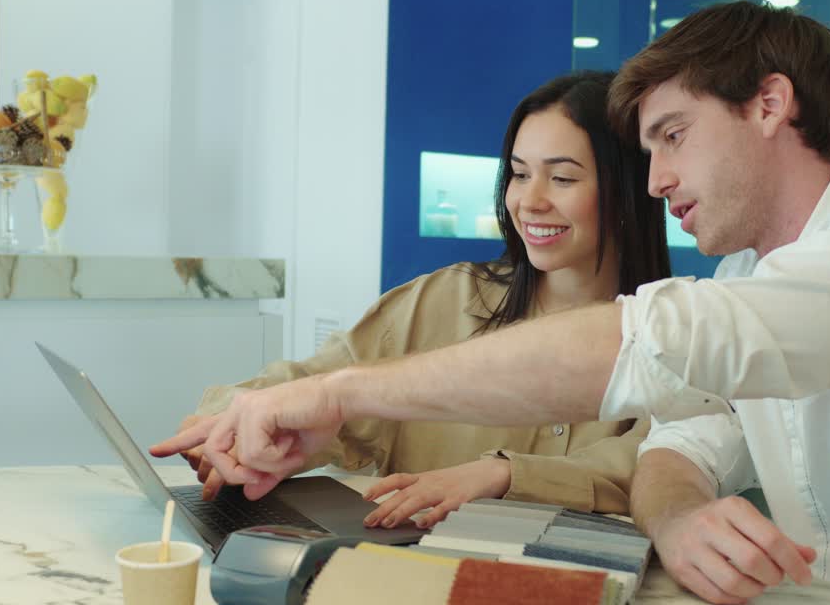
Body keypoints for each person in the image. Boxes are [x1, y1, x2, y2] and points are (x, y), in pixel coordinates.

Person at [154, 3, 830, 605]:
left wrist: (341, 393)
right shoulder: (748, 279)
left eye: (674, 137)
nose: (655, 182)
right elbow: (679, 446)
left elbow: (652, 348)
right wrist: (681, 515)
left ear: (771, 105)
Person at [151, 70, 670, 528]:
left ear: (628, 190)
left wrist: (503, 474)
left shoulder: (674, 335)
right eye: (517, 173)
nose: (529, 201)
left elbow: (655, 466)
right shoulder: (447, 298)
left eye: (561, 178)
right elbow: (322, 379)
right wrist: (226, 422)